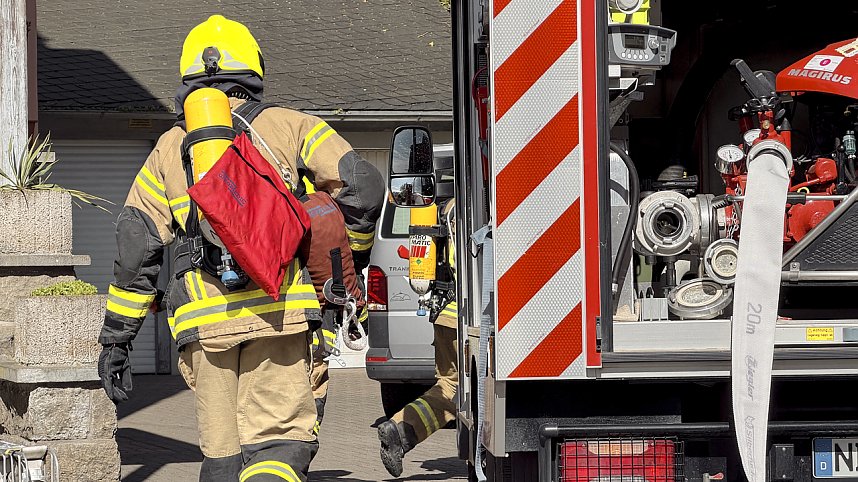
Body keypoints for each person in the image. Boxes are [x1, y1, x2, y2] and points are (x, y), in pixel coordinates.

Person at [97, 15, 384, 482]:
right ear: (252, 70)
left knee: (223, 460)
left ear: (189, 77)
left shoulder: (170, 147)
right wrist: (351, 258)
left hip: (203, 326)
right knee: (280, 445)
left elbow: (136, 247)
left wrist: (117, 340)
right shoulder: (292, 126)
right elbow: (363, 186)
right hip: (279, 312)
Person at [378, 200, 458, 477]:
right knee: (467, 390)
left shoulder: (446, 211)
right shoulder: (486, 209)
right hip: (470, 317)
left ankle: (400, 430)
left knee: (450, 387)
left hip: (446, 314)